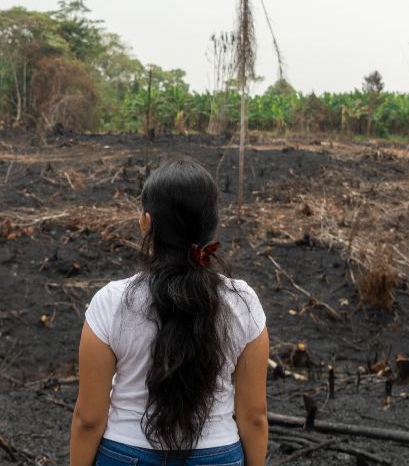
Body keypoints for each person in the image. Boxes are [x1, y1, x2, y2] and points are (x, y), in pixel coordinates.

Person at [70, 159, 268, 466]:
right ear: (212, 223)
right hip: (218, 456)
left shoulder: (110, 302)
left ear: (146, 223)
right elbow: (254, 416)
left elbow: (88, 418)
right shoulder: (243, 301)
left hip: (125, 454)